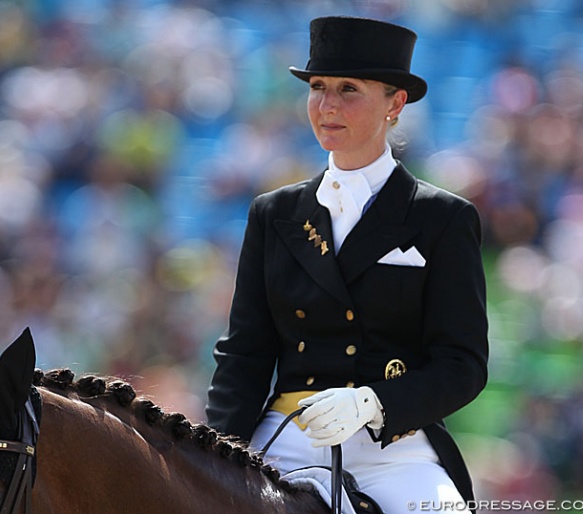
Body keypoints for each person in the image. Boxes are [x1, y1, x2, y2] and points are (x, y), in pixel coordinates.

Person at [206, 15, 488, 514]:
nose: (327, 105)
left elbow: (462, 364)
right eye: (317, 87)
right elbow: (245, 354)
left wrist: (375, 402)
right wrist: (214, 453)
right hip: (285, 437)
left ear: (395, 104)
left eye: (348, 89)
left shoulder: (442, 218)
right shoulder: (274, 214)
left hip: (394, 450)